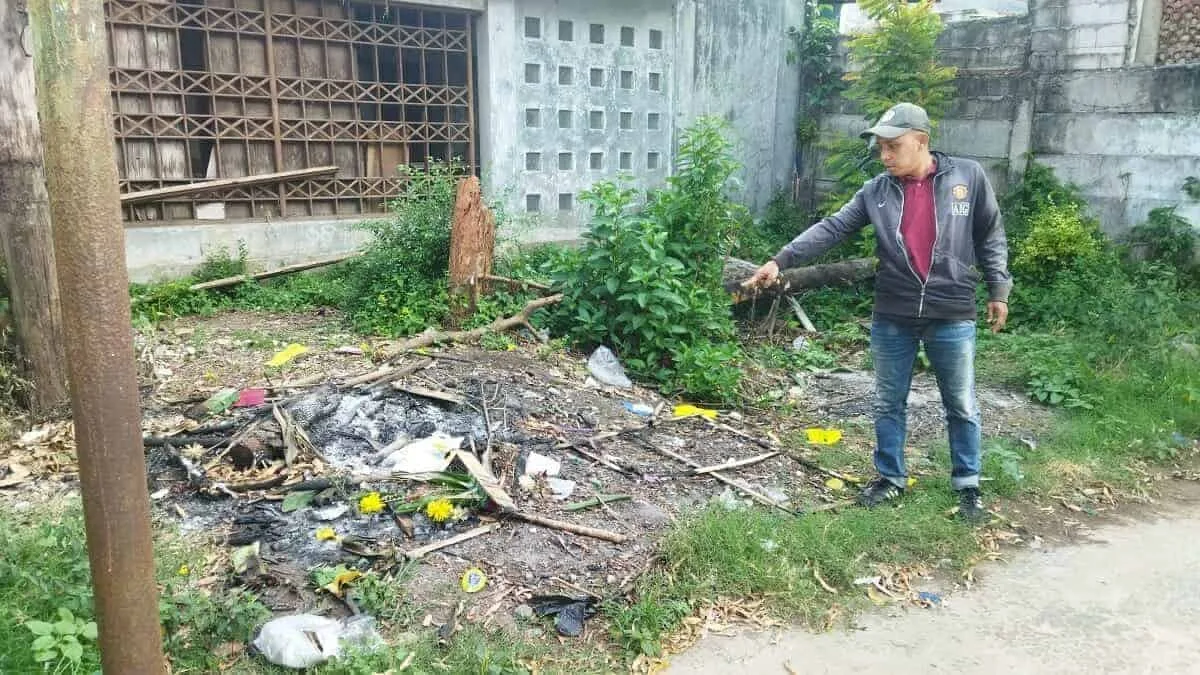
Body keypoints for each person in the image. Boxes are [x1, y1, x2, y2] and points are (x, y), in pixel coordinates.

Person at [744, 102, 1013, 523]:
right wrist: (781, 259)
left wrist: (999, 287)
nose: (884, 156)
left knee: (960, 402)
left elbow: (990, 233)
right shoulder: (876, 191)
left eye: (893, 146)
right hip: (894, 311)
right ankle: (890, 477)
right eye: (881, 148)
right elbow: (832, 228)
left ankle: (968, 485)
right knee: (889, 401)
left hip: (952, 309)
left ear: (921, 141)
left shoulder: (968, 176)